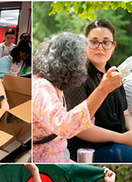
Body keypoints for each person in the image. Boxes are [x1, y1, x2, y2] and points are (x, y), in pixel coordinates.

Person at [65, 19, 132, 163]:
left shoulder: (115, 74)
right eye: (94, 42)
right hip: (92, 147)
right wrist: (122, 138)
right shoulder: (76, 77)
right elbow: (79, 128)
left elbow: (125, 114)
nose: (100, 47)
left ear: (113, 46)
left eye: (106, 42)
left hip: (122, 139)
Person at [31, 31, 121, 162]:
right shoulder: (42, 88)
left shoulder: (53, 85)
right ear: (70, 64)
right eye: (82, 61)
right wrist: (102, 90)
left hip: (61, 156)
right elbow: (64, 126)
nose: (84, 67)